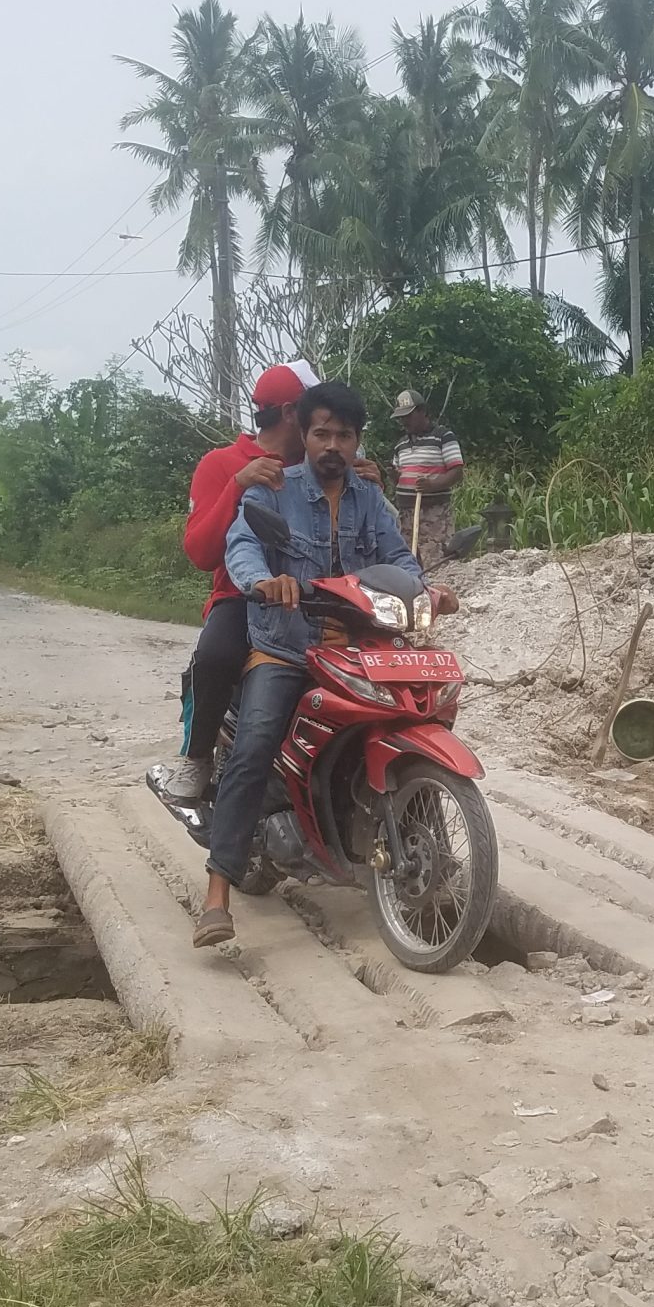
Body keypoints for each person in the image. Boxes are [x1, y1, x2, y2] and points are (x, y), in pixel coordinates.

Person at [198, 381, 439, 948]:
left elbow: (400, 558)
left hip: (356, 648)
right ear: (303, 436)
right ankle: (216, 894)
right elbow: (242, 546)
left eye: (344, 436)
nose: (333, 445)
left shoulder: (369, 501)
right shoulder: (274, 490)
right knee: (256, 741)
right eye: (321, 433)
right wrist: (264, 580)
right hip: (285, 647)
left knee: (409, 718)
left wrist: (428, 589)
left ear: (358, 442)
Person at [151, 362, 318, 807]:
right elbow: (201, 553)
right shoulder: (220, 463)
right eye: (314, 411)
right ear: (289, 413)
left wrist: (365, 482)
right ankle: (197, 756)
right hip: (241, 597)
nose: (324, 423)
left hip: (317, 596)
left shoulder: (320, 465)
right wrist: (236, 486)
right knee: (216, 655)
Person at [388, 389, 464, 563]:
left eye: (409, 415)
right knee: (408, 560)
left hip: (433, 512)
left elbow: (457, 471)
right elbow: (399, 478)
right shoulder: (401, 444)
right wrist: (395, 476)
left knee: (436, 561)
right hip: (407, 512)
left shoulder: (443, 436)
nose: (404, 421)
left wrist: (432, 485)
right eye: (401, 417)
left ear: (423, 412)